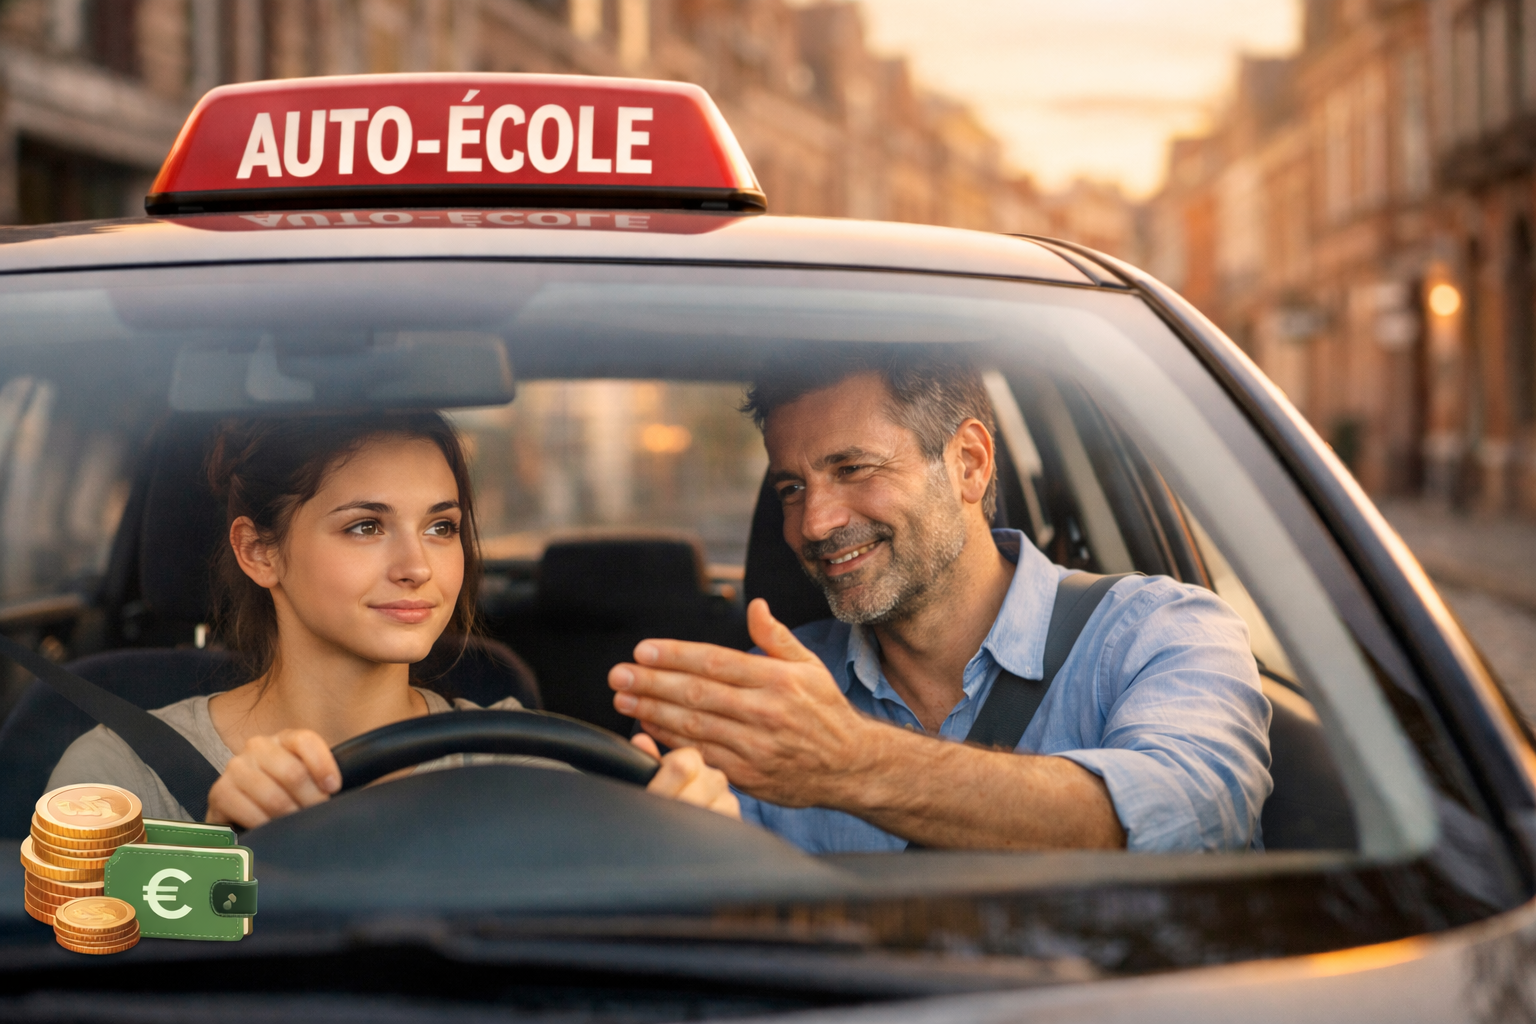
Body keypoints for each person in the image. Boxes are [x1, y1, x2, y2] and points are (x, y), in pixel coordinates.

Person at [608, 354, 1272, 853]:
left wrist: (848, 763)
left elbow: (1193, 817)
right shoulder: (772, 691)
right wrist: (701, 854)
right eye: (790, 487)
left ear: (969, 464)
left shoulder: (1160, 633)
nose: (813, 522)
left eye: (853, 469)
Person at [48, 413, 737, 827]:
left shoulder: (527, 767)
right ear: (260, 552)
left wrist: (690, 842)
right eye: (366, 527)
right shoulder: (118, 778)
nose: (417, 566)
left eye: (441, 527)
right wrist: (224, 864)